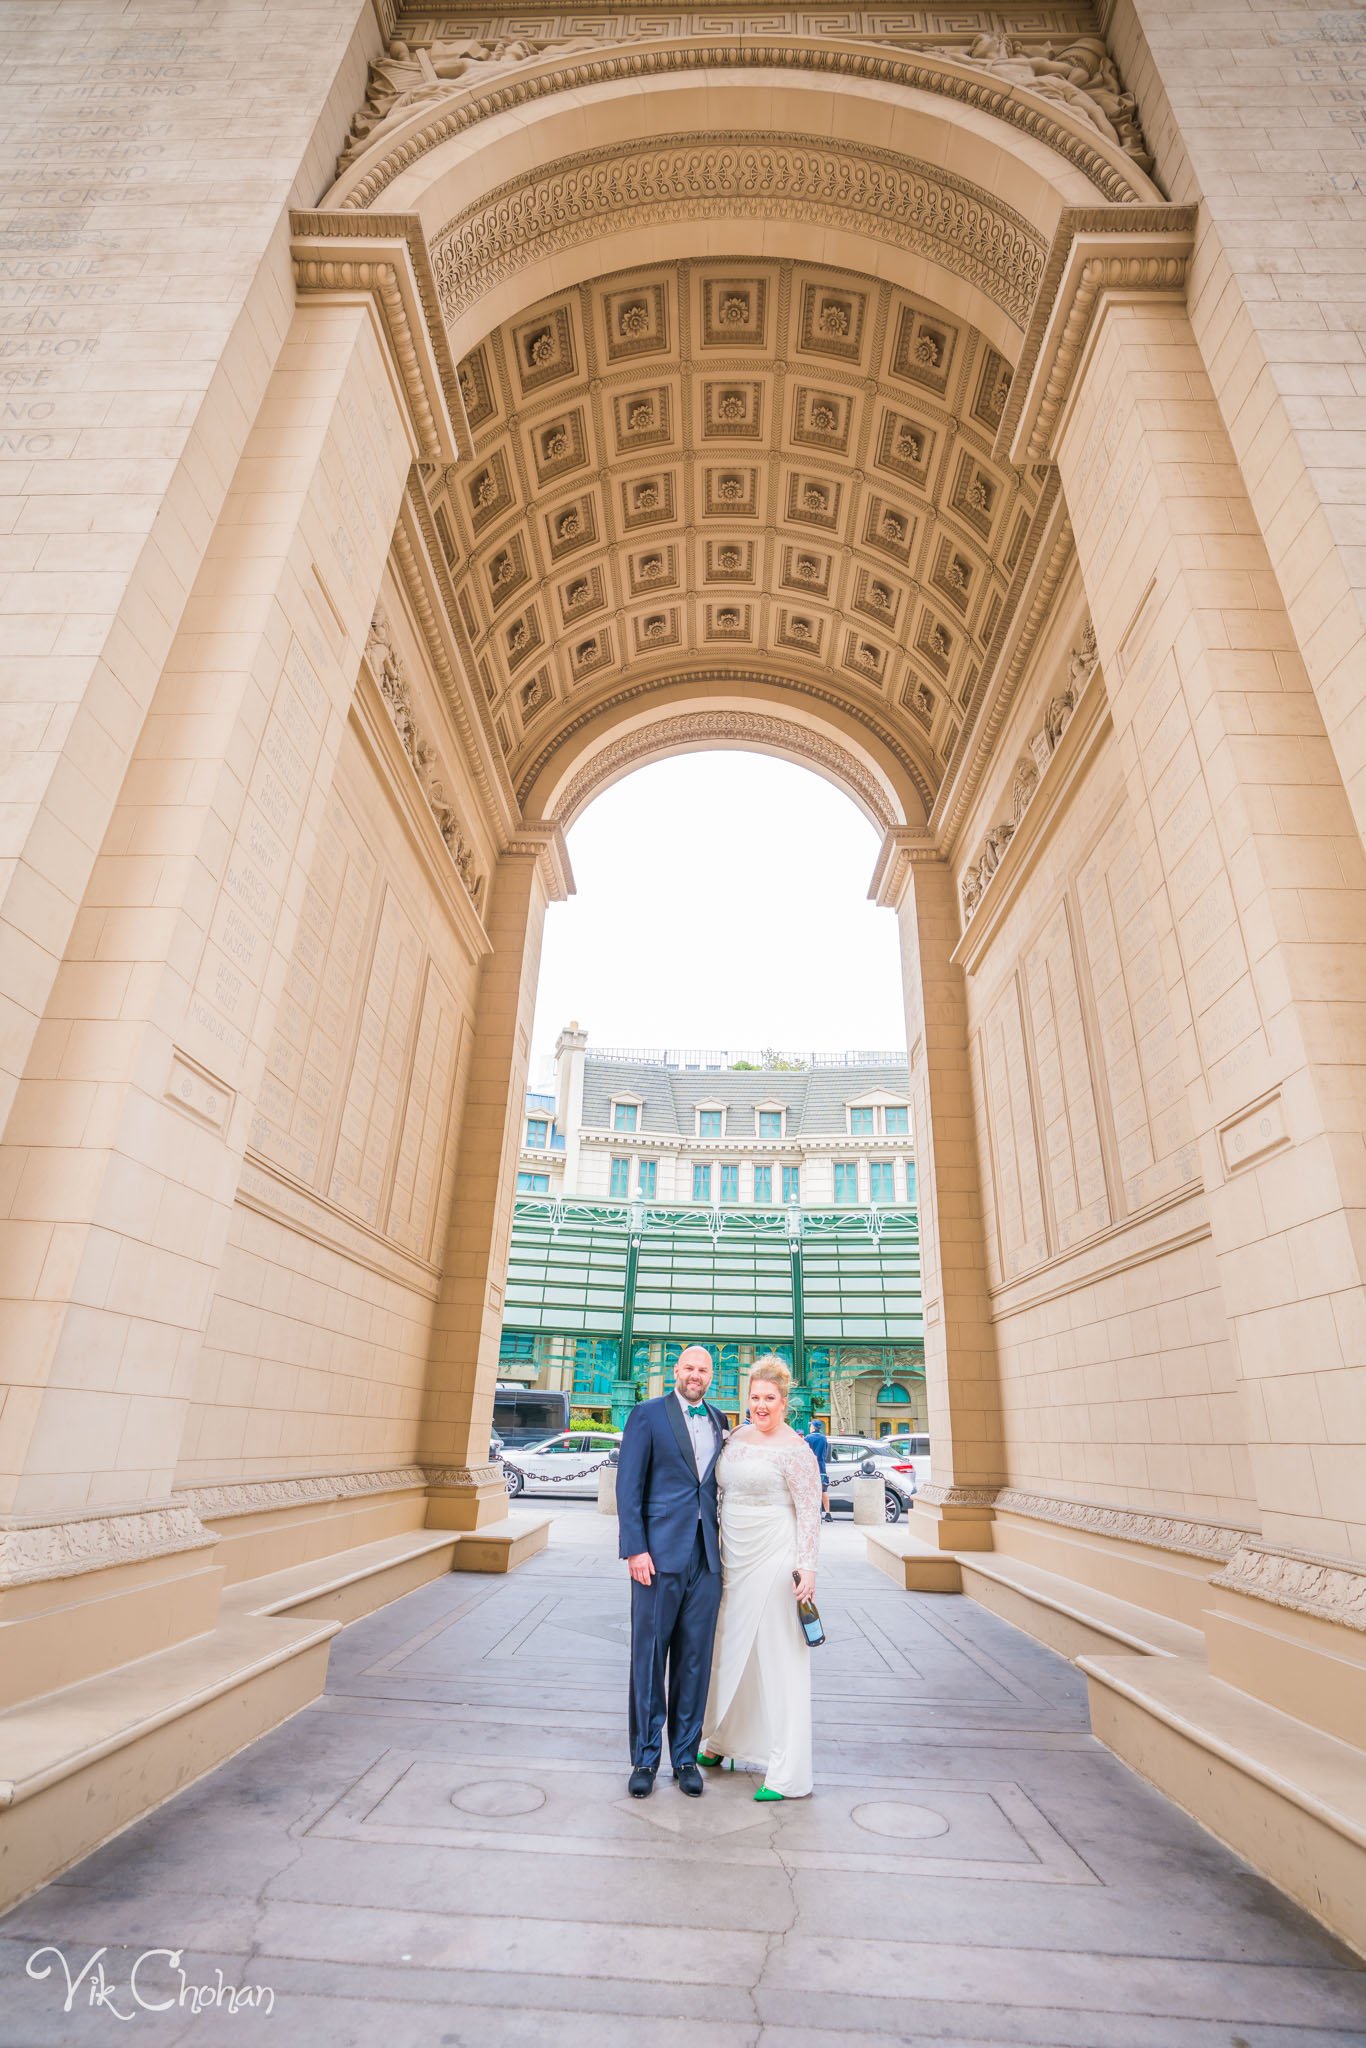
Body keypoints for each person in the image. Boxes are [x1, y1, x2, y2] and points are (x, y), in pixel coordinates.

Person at [699, 1356, 821, 1800]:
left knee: (776, 1655)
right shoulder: (735, 1437)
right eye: (755, 1397)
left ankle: (786, 1772)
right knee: (731, 1646)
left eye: (770, 1398)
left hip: (774, 1556)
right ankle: (722, 1739)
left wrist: (806, 1568)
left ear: (785, 1402)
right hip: (733, 1557)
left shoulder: (796, 1449)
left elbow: (810, 1512)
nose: (761, 1405)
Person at [615, 1345, 727, 1799]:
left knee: (694, 1661)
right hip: (656, 1559)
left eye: (703, 1370)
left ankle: (685, 1756)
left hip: (706, 1559)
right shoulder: (647, 1415)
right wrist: (635, 1550)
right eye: (689, 1368)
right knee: (649, 1657)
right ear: (675, 1371)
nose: (695, 1375)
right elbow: (629, 1486)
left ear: (711, 1375)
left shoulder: (721, 1420)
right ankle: (644, 1758)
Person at [805, 1416, 833, 1523]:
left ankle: (813, 1513)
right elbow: (825, 1452)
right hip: (822, 1467)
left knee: (811, 1490)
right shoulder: (823, 1438)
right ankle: (828, 1513)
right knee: (824, 1490)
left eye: (811, 1425)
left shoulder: (808, 1438)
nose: (810, 1427)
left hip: (811, 1468)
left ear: (813, 1427)